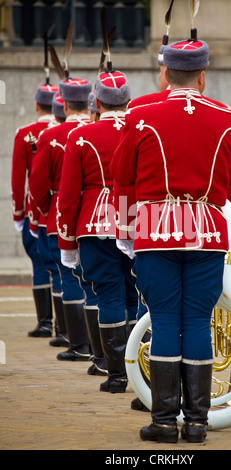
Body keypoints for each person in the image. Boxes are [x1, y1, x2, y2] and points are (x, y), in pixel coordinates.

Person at [110, 38, 231, 443]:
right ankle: (199, 424)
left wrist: (124, 230)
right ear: (203, 76)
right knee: (198, 323)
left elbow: (122, 178)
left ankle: (165, 422)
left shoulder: (140, 115)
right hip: (209, 231)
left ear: (165, 74)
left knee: (166, 320)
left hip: (154, 232)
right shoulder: (230, 119)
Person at [57, 68, 138, 393]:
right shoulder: (139, 128)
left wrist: (67, 241)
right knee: (135, 293)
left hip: (93, 223)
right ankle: (139, 369)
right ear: (128, 100)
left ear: (98, 102)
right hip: (133, 219)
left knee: (108, 295)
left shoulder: (79, 136)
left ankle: (116, 373)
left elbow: (68, 196)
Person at [29, 77, 100, 363]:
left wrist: (48, 208)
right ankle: (97, 348)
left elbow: (37, 183)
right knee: (96, 281)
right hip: (98, 213)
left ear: (65, 102)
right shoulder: (97, 128)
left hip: (63, 209)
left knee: (68, 276)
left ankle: (78, 343)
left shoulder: (50, 135)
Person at [11, 82, 58, 338]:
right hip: (64, 209)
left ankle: (45, 322)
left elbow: (19, 182)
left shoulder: (25, 133)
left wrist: (19, 214)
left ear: (37, 105)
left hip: (37, 212)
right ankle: (64, 326)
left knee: (40, 264)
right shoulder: (67, 130)